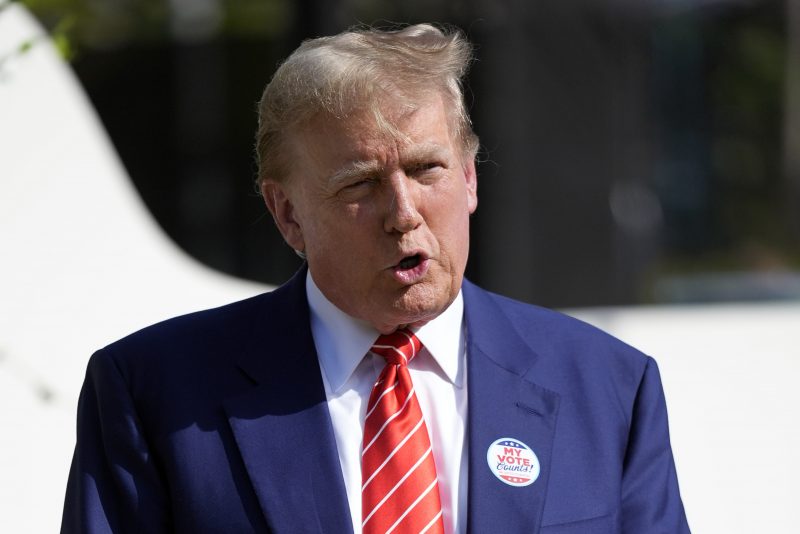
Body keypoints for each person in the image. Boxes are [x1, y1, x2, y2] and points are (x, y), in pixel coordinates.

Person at [61, 23, 690, 533]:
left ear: (469, 178)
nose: (404, 213)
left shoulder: (608, 387)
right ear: (287, 214)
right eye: (361, 183)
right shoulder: (153, 393)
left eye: (426, 169)